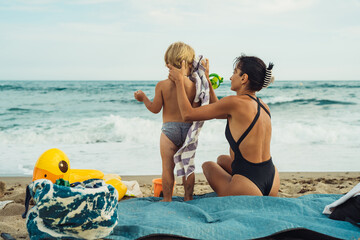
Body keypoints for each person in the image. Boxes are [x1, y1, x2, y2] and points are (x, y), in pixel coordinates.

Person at [168, 55, 280, 197]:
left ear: (244, 78)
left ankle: (239, 185)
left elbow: (187, 114)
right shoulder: (263, 106)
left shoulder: (234, 102)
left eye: (234, 72)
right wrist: (207, 80)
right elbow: (217, 108)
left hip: (249, 186)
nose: (231, 77)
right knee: (222, 159)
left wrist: (178, 81)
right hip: (272, 180)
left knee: (208, 165)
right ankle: (241, 183)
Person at [134, 42, 217, 201]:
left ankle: (167, 200)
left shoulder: (162, 85)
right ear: (189, 64)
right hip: (188, 130)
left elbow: (155, 108)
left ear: (169, 63)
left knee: (167, 167)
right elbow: (196, 109)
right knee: (189, 167)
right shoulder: (194, 85)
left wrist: (143, 98)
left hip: (168, 132)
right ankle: (188, 198)